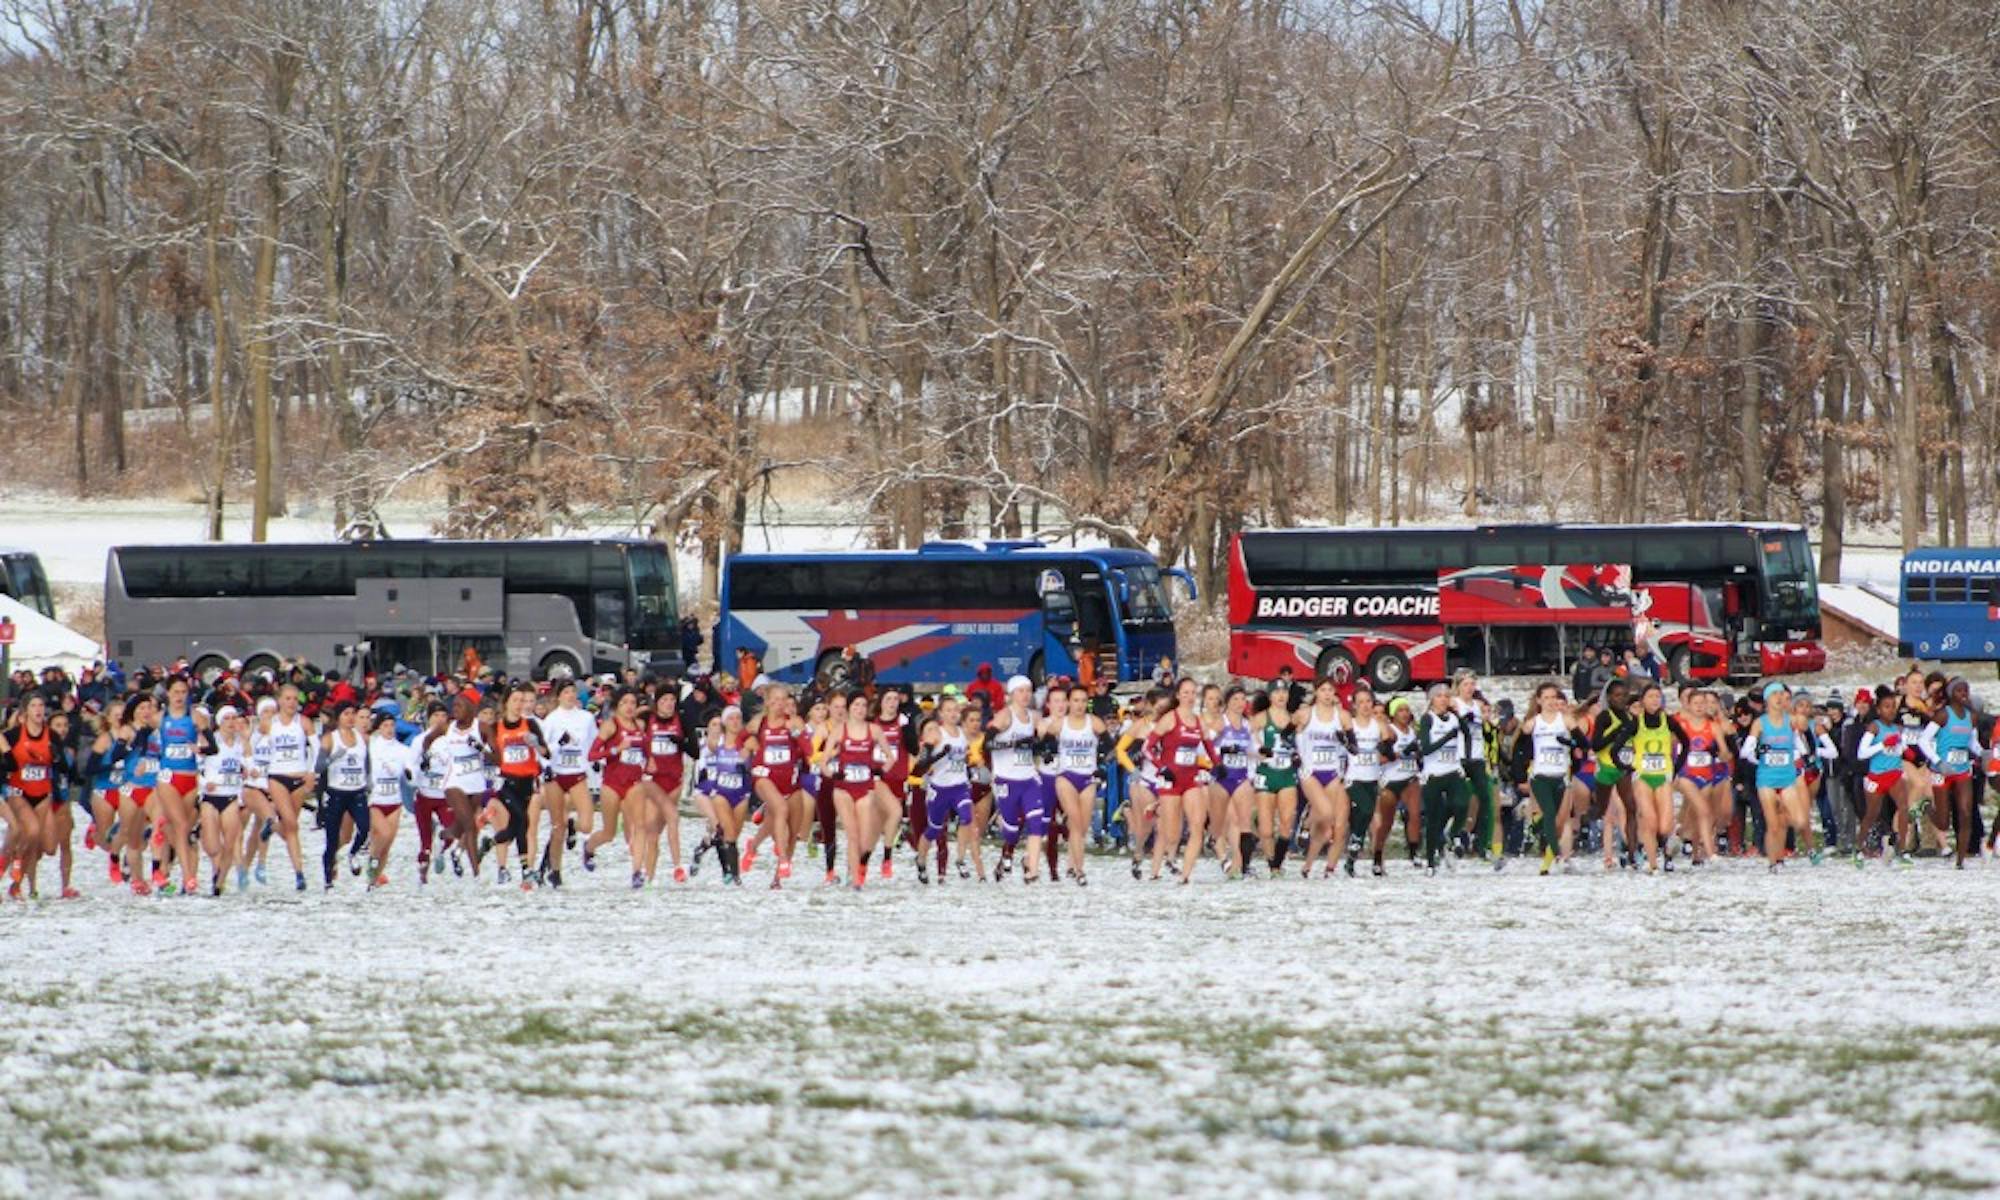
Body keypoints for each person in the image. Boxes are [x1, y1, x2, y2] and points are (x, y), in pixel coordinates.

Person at [989, 676, 1049, 883]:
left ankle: (1031, 869)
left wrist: (1044, 746)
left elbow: (1043, 742)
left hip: (1029, 778)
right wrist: (1015, 743)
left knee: (1036, 823)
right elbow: (987, 743)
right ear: (1012, 694)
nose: (1025, 695)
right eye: (1021, 691)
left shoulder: (1035, 717)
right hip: (1006, 779)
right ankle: (1007, 853)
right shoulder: (1005, 716)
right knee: (1012, 832)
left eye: (1028, 691)